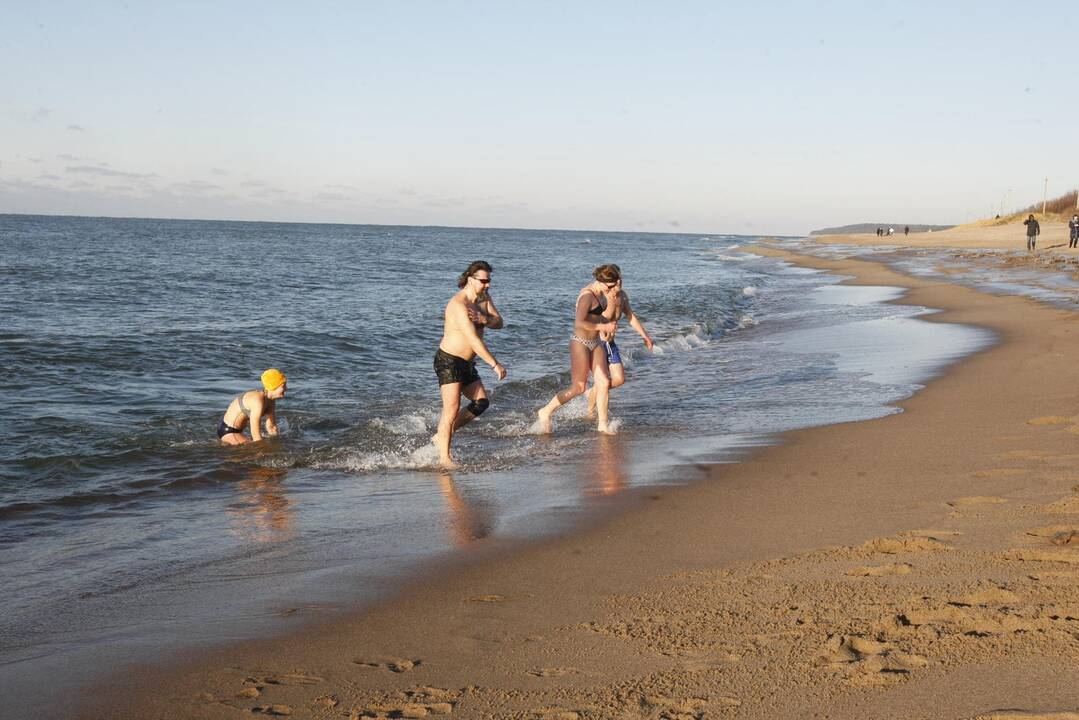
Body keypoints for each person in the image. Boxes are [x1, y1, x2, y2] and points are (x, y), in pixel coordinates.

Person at [433, 260, 506, 468]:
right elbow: (474, 340)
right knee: (451, 410)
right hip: (449, 361)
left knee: (481, 403)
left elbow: (499, 322)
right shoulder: (458, 305)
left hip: (467, 363)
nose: (488, 285)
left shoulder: (483, 298)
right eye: (483, 281)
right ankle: (444, 459)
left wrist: (484, 319)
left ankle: (441, 436)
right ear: (470, 279)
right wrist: (494, 364)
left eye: (489, 280)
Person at [536, 264, 620, 435]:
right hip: (580, 342)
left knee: (603, 382)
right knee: (579, 387)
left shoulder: (601, 293)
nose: (613, 289)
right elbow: (579, 322)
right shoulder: (587, 296)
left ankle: (602, 425)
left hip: (596, 342)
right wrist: (601, 325)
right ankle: (546, 411)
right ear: (601, 281)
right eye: (610, 286)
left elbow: (597, 316)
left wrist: (607, 325)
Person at [586, 274, 654, 416]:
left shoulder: (622, 296)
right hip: (597, 344)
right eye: (615, 280)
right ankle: (591, 413)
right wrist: (599, 329)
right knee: (603, 382)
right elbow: (587, 319)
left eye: (620, 279)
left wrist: (645, 336)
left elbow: (630, 316)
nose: (619, 281)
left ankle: (594, 392)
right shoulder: (602, 296)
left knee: (619, 379)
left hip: (611, 344)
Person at [218, 369, 287, 444]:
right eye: (283, 386)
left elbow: (272, 427)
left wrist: (278, 443)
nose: (286, 388)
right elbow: (256, 435)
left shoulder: (271, 400)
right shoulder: (257, 400)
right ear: (273, 386)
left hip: (239, 431)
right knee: (253, 449)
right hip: (228, 430)